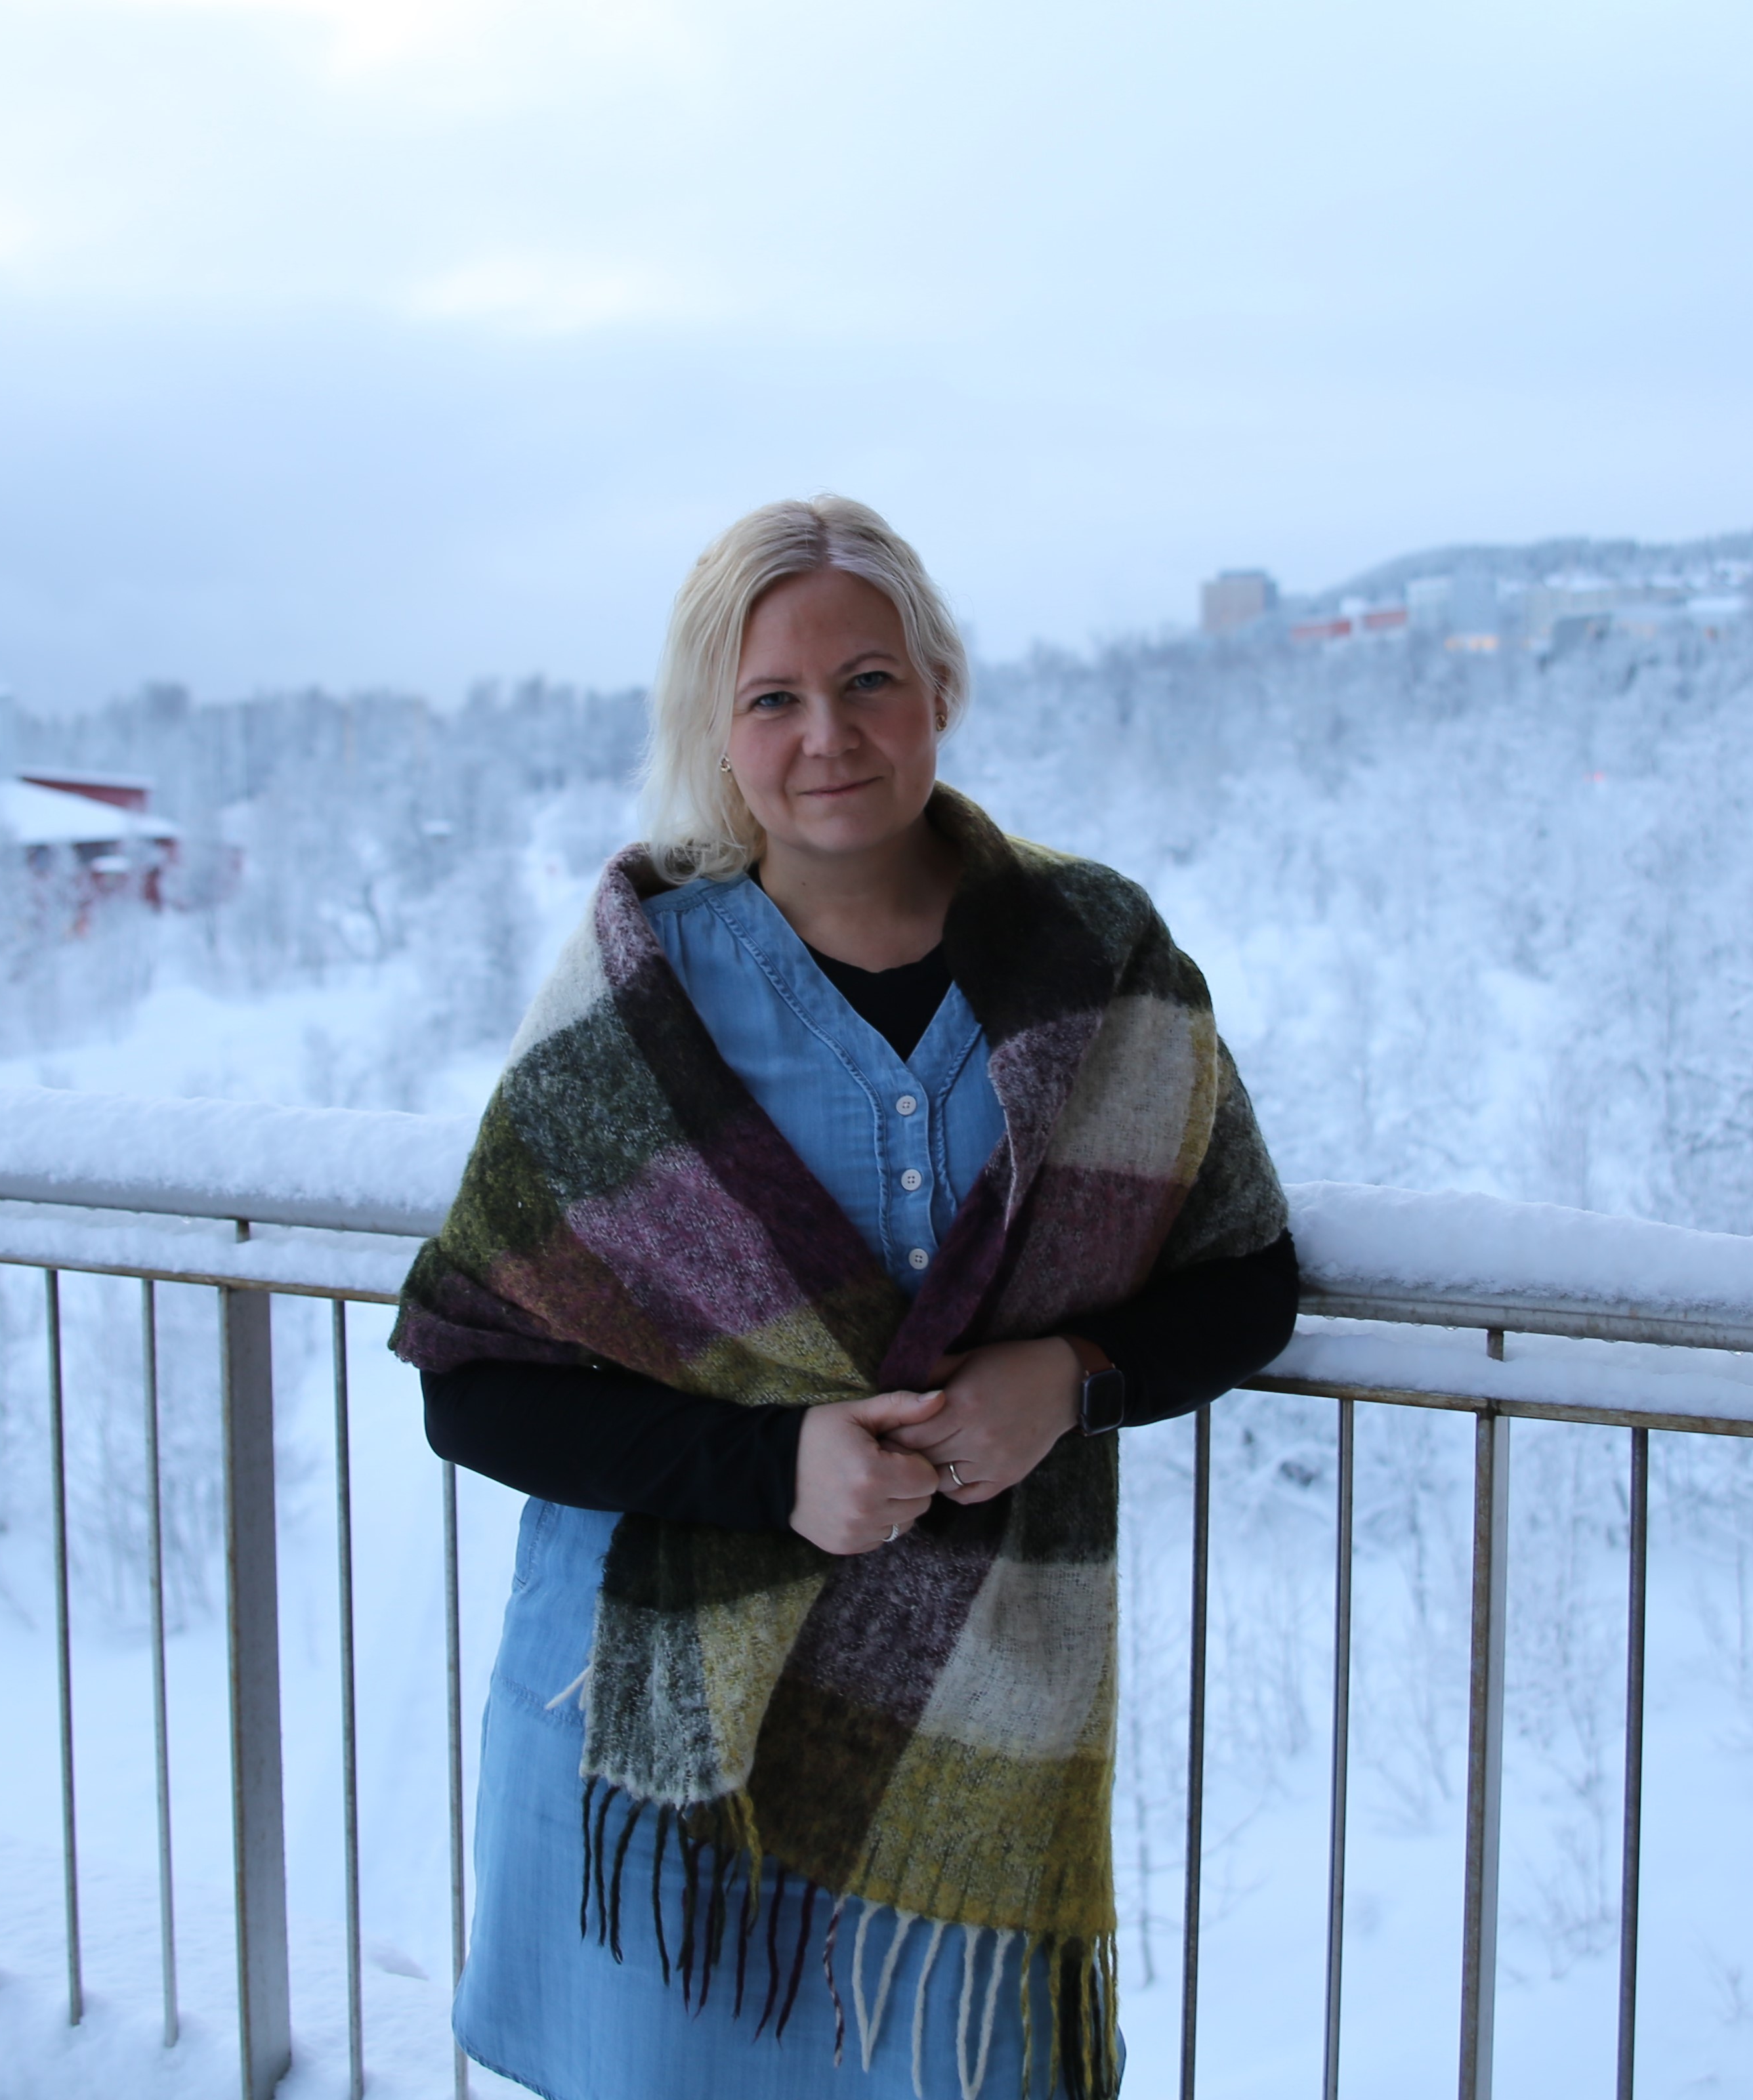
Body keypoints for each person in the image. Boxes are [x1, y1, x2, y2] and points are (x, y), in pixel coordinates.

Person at [394, 496, 1299, 2099]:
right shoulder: (642, 985)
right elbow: (474, 1379)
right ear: (717, 730)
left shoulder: (1096, 957)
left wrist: (1071, 1375)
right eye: (772, 698)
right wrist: (772, 1466)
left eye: (870, 679)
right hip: (657, 1747)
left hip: (974, 1739)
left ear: (941, 687)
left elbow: (1244, 1277)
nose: (829, 734)